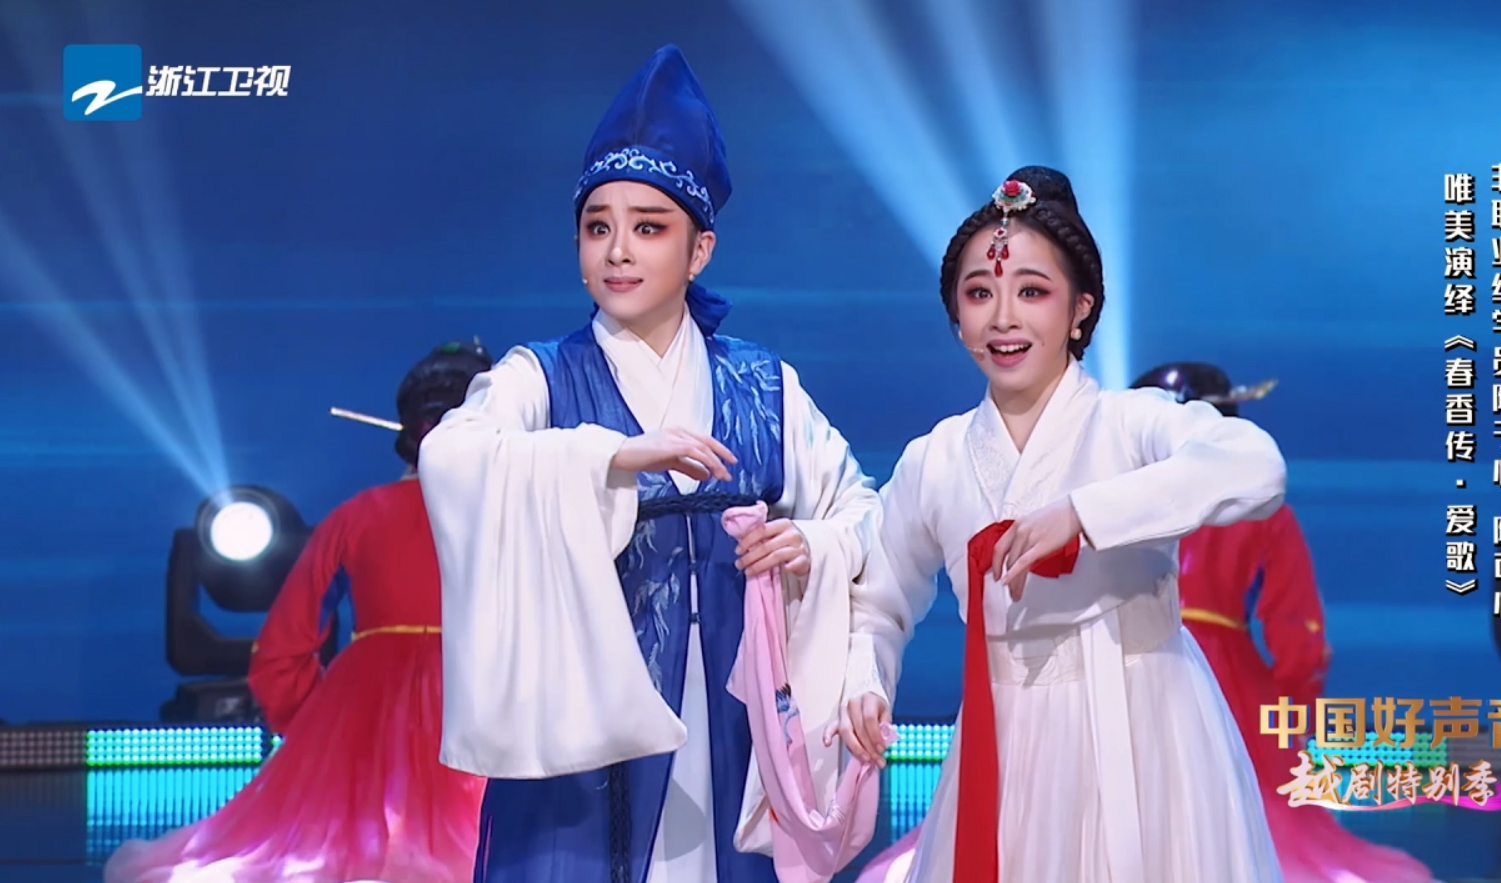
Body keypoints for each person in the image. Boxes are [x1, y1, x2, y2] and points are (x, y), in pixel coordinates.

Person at [416, 45, 881, 883]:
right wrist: (610, 456)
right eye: (598, 227)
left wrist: (809, 543)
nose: (618, 251)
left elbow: (860, 510)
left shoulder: (762, 383)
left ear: (699, 250)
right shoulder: (540, 374)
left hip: (733, 703)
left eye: (648, 227)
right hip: (589, 714)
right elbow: (452, 457)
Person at [837, 166, 1284, 883]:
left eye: (1032, 292)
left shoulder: (1129, 422)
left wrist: (1085, 512)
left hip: (1142, 725)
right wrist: (866, 678)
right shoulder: (935, 458)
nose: (1003, 318)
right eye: (979, 294)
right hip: (1001, 737)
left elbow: (1254, 466)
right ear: (956, 316)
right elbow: (878, 598)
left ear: (1080, 309)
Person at [103, 340, 493, 883]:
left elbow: (283, 646)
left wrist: (318, 729)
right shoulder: (509, 515)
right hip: (478, 697)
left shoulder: (355, 516)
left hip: (362, 701)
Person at [1133, 362, 1438, 883]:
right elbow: (1296, 624)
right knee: (1249, 799)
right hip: (1225, 668)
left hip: (1135, 652)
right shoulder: (1261, 508)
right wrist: (1292, 700)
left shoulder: (1116, 502)